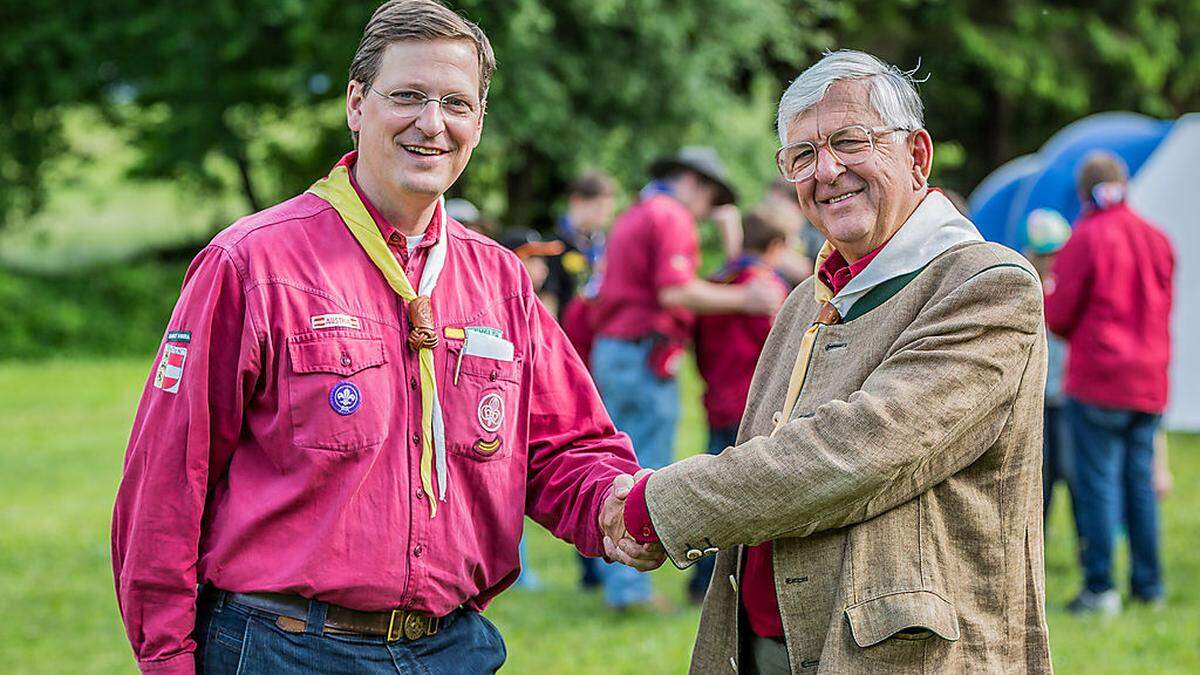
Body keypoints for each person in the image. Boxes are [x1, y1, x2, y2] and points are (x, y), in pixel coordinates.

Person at [110, 3, 663, 673]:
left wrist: (619, 507)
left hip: (453, 647)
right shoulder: (254, 265)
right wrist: (167, 656)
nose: (432, 124)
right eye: (408, 96)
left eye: (456, 104)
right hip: (284, 648)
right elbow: (168, 479)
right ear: (355, 103)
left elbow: (563, 448)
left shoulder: (501, 282)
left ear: (478, 123)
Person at [602, 50, 1051, 672]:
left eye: (849, 141)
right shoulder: (801, 301)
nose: (827, 170)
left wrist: (657, 505)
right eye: (803, 156)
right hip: (761, 646)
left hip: (903, 655)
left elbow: (855, 452)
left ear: (917, 155)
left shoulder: (985, 283)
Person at [590, 146, 785, 611]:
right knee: (640, 470)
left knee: (611, 464)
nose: (704, 212)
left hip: (616, 349)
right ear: (694, 183)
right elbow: (675, 290)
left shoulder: (635, 212)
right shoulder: (671, 215)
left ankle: (613, 580)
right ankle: (631, 591)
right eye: (709, 197)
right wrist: (745, 300)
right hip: (643, 353)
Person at [1045, 150, 1175, 614]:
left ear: (1084, 193)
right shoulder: (1157, 238)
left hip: (1100, 379)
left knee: (1098, 485)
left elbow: (1060, 318)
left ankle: (1100, 588)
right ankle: (1150, 586)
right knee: (1139, 485)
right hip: (1150, 382)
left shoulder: (1086, 237)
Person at [686, 212, 791, 605]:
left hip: (717, 398)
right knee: (745, 495)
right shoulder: (765, 286)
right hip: (754, 403)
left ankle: (699, 581)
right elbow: (783, 346)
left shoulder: (716, 281)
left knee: (710, 488)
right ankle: (737, 585)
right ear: (775, 247)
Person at [1024, 208, 1076, 526]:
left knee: (1071, 471)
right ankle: (1037, 538)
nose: (1052, 262)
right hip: (1037, 398)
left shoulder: (1067, 288)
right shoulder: (1022, 289)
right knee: (1038, 477)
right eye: (1046, 255)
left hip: (1066, 396)